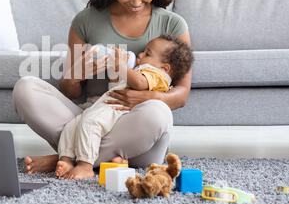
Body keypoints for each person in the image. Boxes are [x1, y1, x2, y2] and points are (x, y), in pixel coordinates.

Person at [12, 0, 192, 175]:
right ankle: (95, 158)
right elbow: (70, 92)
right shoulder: (86, 21)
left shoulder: (173, 25)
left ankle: (67, 158)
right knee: (25, 87)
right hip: (90, 115)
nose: (136, 2)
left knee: (158, 114)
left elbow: (181, 95)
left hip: (138, 131)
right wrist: (75, 75)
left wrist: (145, 96)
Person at [56, 35, 194, 179]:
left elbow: (140, 83)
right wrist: (116, 76)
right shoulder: (141, 71)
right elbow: (119, 88)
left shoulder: (158, 75)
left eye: (147, 53)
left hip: (117, 109)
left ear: (165, 68)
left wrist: (121, 66)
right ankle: (65, 159)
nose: (140, 55)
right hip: (107, 105)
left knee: (90, 123)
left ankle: (85, 166)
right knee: (72, 126)